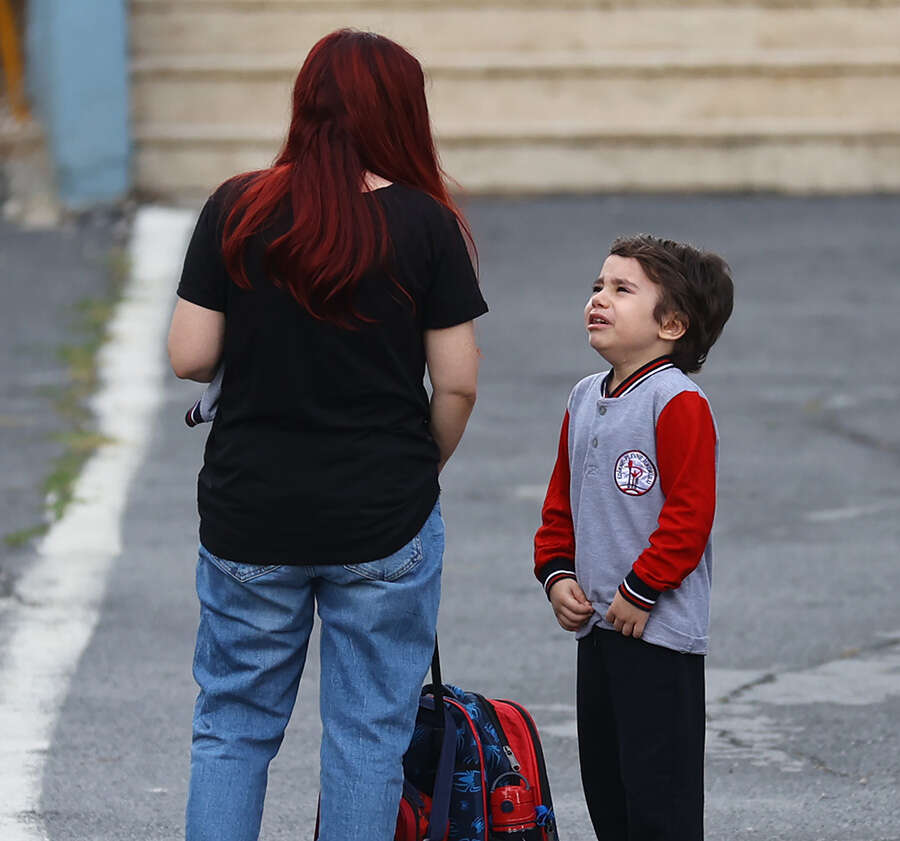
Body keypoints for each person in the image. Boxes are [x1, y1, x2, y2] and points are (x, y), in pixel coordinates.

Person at [166, 29, 487, 841]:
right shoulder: (426, 223)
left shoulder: (238, 206)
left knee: (233, 725)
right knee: (368, 735)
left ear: (305, 104)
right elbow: (457, 381)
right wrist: (421, 464)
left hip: (251, 510)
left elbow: (189, 355)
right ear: (403, 113)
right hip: (384, 513)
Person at [533, 234, 733, 841]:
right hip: (598, 629)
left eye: (623, 290)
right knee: (608, 789)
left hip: (658, 634)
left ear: (671, 324)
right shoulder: (583, 396)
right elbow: (560, 502)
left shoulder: (677, 401)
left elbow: (690, 516)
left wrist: (642, 589)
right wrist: (557, 574)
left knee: (659, 799)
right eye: (598, 285)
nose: (600, 298)